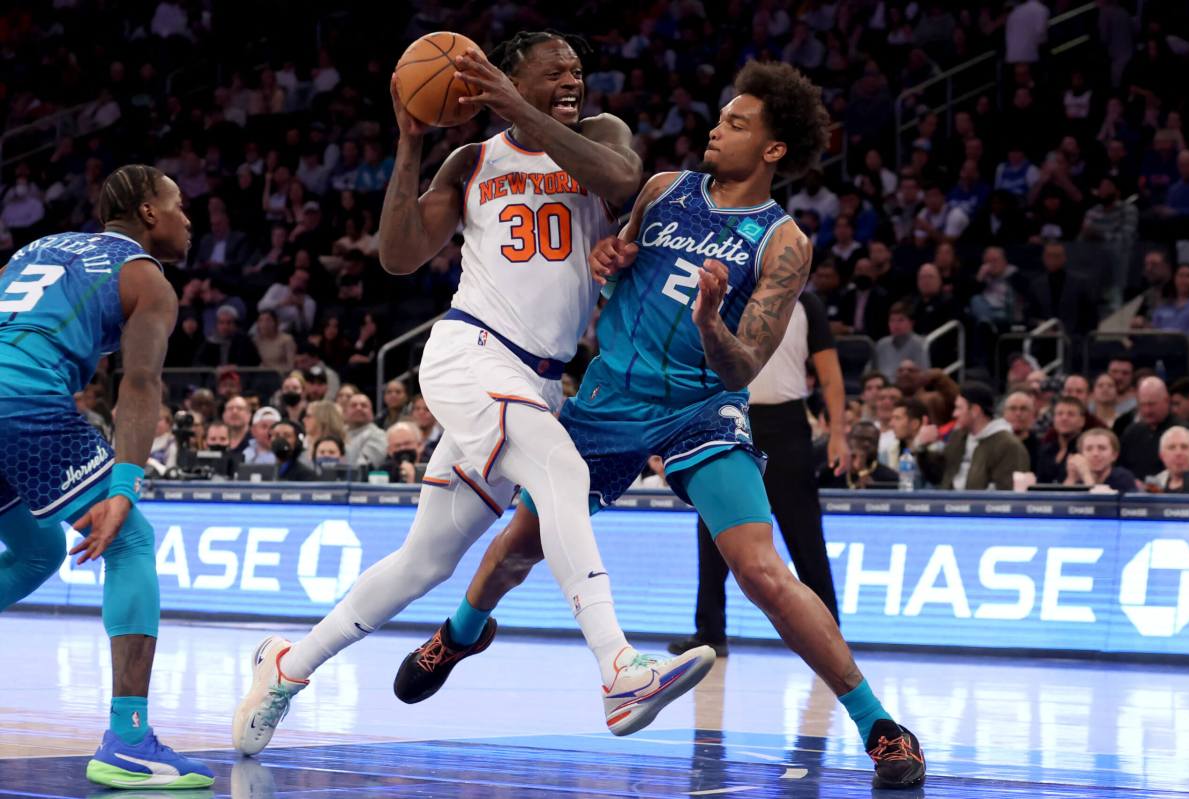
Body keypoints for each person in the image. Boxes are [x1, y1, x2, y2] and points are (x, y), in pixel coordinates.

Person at [393, 61, 925, 789]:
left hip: (701, 409)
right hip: (610, 399)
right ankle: (458, 635)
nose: (717, 126)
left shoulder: (783, 243)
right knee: (518, 546)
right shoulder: (663, 190)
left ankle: (880, 726)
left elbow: (741, 369)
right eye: (722, 115)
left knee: (764, 573)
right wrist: (609, 257)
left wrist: (710, 321)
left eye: (738, 123)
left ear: (773, 150)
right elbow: (612, 266)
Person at [232, 30, 712, 756]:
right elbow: (397, 256)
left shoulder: (600, 136)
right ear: (509, 75)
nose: (572, 80)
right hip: (472, 353)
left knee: (424, 562)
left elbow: (619, 183)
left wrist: (524, 106)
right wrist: (409, 142)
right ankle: (618, 666)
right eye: (554, 72)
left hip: (538, 383)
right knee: (562, 472)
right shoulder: (472, 158)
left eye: (578, 70)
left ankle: (285, 666)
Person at [0, 164, 213, 787]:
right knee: (132, 540)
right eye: (178, 204)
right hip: (21, 401)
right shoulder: (145, 277)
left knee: (37, 549)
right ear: (148, 213)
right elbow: (139, 385)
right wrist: (124, 487)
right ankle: (128, 738)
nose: (186, 217)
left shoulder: (37, 248)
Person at [669, 289, 848, 657]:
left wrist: (839, 435)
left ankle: (830, 632)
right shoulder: (725, 290)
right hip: (727, 417)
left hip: (786, 423)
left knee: (804, 532)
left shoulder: (806, 301)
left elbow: (829, 375)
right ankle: (710, 631)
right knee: (712, 529)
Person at [916, 381, 1029, 490]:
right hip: (949, 505)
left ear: (975, 410)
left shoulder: (1008, 446)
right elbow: (939, 476)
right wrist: (921, 448)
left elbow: (1007, 495)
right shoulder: (958, 437)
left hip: (979, 507)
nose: (954, 414)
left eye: (959, 408)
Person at [1119, 376, 1184, 481]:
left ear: (1166, 401)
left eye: (1151, 404)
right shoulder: (1131, 432)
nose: (1147, 410)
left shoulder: (1182, 432)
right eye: (1142, 404)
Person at [1063, 427, 1138, 492]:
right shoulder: (1078, 478)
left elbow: (1097, 505)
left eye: (1102, 448)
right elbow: (1062, 505)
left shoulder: (1123, 477)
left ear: (1114, 455)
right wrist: (1071, 477)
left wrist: (1086, 475)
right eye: (1089, 449)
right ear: (1081, 454)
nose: (1095, 454)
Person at [1035, 396, 1087, 484]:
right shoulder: (1044, 450)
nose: (1064, 418)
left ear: (1082, 421)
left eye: (1070, 414)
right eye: (1059, 414)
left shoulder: (1086, 450)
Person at [873, 302, 927, 381]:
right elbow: (870, 372)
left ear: (911, 323)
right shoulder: (881, 344)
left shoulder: (920, 344)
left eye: (900, 320)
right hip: (881, 389)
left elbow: (923, 374)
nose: (895, 324)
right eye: (892, 320)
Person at [1146, 425, 1189, 492]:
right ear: (1162, 456)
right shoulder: (1154, 486)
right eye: (1171, 447)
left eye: (1184, 447)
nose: (1178, 453)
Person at [343, 393, 387, 469]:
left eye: (364, 406)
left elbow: (363, 468)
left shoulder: (379, 435)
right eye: (354, 405)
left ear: (372, 413)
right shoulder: (337, 433)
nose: (359, 408)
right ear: (345, 412)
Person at [1003, 388, 1040, 467]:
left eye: (1023, 409)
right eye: (1013, 408)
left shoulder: (1041, 449)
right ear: (1004, 414)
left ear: (1032, 415)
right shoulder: (994, 446)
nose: (1018, 413)